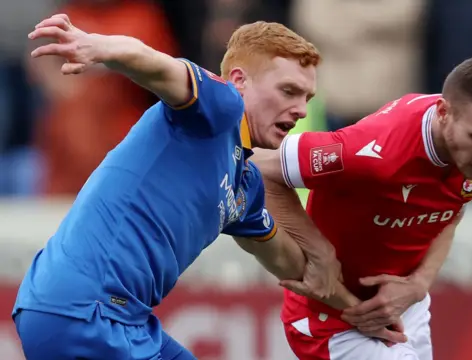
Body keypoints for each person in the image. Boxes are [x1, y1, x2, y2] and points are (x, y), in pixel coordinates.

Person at [13, 14, 347, 359]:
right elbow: (155, 65)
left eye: (306, 97)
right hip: (87, 311)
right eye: (288, 91)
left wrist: (363, 310)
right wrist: (98, 46)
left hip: (119, 318)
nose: (300, 111)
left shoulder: (243, 184)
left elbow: (291, 264)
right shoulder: (220, 106)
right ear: (239, 81)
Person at [253, 56, 472, 359]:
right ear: (444, 113)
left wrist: (419, 284)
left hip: (406, 309)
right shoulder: (373, 151)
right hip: (332, 323)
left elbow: (451, 210)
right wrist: (319, 253)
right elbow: (259, 169)